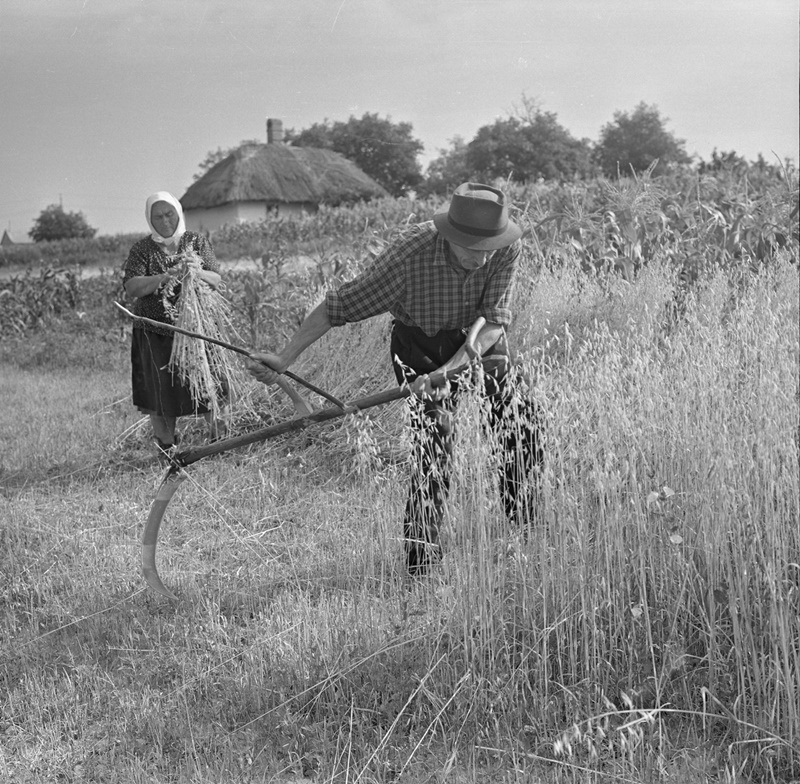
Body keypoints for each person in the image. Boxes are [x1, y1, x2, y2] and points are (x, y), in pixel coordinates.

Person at [248, 182, 543, 575]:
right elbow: (340, 306)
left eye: (490, 248)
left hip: (478, 339)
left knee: (520, 421)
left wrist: (449, 370)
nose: (484, 259)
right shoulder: (409, 254)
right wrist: (284, 358)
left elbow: (493, 320)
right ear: (450, 236)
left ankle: (525, 526)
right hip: (419, 341)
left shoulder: (505, 245)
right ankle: (422, 561)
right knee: (433, 444)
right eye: (475, 250)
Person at [122, 191, 225, 452]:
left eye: (169, 214)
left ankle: (219, 441)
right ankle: (168, 450)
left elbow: (216, 279)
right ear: (149, 219)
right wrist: (164, 278)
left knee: (208, 384)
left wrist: (195, 269)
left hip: (196, 329)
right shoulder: (142, 249)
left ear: (178, 213)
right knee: (161, 393)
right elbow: (132, 287)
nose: (165, 220)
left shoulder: (195, 241)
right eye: (158, 216)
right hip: (155, 331)